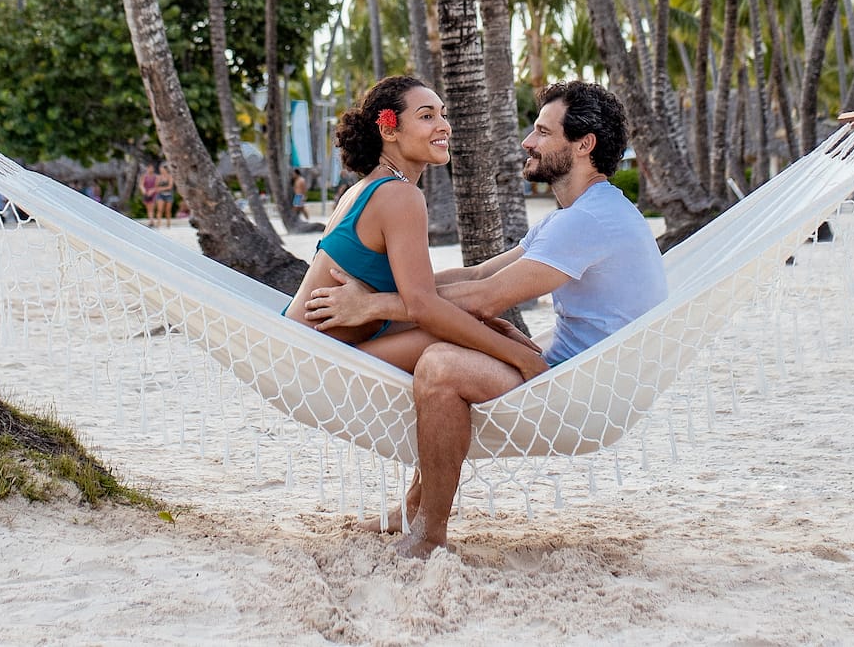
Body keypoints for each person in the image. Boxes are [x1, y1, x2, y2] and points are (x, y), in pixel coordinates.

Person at [303, 80, 664, 557]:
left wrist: (374, 305)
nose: (527, 142)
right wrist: (403, 295)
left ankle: (429, 533)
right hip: (573, 373)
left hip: (586, 390)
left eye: (541, 132)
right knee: (458, 339)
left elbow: (483, 299)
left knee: (442, 365)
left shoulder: (587, 221)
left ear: (583, 145)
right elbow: (474, 275)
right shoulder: (577, 216)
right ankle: (414, 511)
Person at [283, 76, 544, 384]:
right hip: (316, 363)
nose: (443, 125)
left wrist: (490, 318)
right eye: (426, 116)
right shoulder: (399, 195)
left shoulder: (367, 188)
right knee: (473, 345)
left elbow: (421, 289)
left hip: (305, 348)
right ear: (389, 129)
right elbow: (422, 305)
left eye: (443, 114)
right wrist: (522, 358)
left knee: (476, 330)